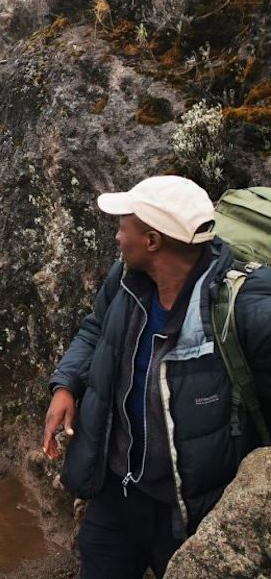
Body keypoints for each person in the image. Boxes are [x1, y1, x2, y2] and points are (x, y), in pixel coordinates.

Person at [41, 175, 271, 579]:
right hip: (115, 495)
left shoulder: (243, 311)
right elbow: (95, 328)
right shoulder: (127, 279)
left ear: (152, 241)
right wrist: (66, 385)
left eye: (123, 226)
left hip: (188, 515)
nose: (117, 236)